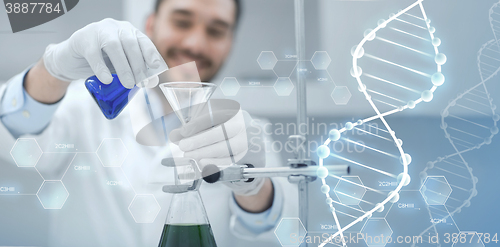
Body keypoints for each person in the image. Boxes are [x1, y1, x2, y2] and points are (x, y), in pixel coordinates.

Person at [0, 0, 297, 246]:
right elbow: (15, 136)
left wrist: (254, 187)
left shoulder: (245, 132)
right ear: (151, 25)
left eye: (216, 31)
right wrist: (52, 71)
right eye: (182, 22)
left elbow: (283, 233)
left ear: (230, 42)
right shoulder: (81, 108)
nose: (195, 43)